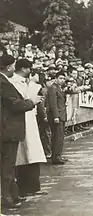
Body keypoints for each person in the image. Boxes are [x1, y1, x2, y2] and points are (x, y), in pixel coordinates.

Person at [0, 54, 42, 209]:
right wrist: (31, 102)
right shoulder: (4, 83)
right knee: (7, 166)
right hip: (8, 130)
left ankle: (13, 194)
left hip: (7, 129)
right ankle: (7, 198)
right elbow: (15, 105)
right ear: (10, 66)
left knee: (8, 166)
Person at [9, 59, 47, 197]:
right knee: (22, 155)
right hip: (20, 120)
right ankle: (24, 188)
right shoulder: (13, 82)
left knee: (32, 154)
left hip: (30, 120)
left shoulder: (28, 83)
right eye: (29, 69)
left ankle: (33, 187)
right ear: (25, 69)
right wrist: (32, 100)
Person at [47, 71, 67, 165]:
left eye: (63, 78)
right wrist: (56, 116)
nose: (62, 80)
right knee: (57, 137)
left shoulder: (59, 88)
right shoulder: (53, 88)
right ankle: (56, 157)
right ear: (56, 78)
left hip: (61, 114)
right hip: (57, 115)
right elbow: (53, 103)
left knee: (60, 137)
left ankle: (58, 155)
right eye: (60, 78)